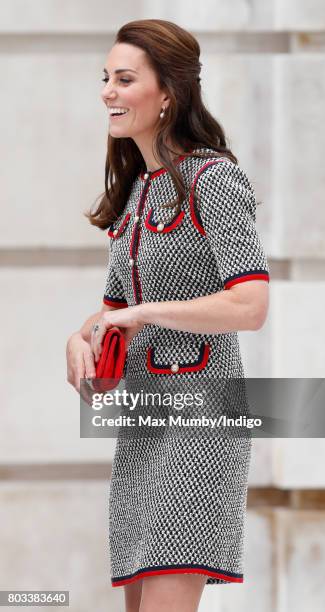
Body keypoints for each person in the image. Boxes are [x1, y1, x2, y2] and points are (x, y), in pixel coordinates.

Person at [66, 18, 270, 612]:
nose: (107, 90)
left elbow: (250, 305)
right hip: (145, 424)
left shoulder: (216, 179)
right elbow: (112, 313)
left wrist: (147, 313)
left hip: (203, 428)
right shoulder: (135, 193)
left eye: (124, 79)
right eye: (106, 78)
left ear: (168, 94)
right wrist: (80, 340)